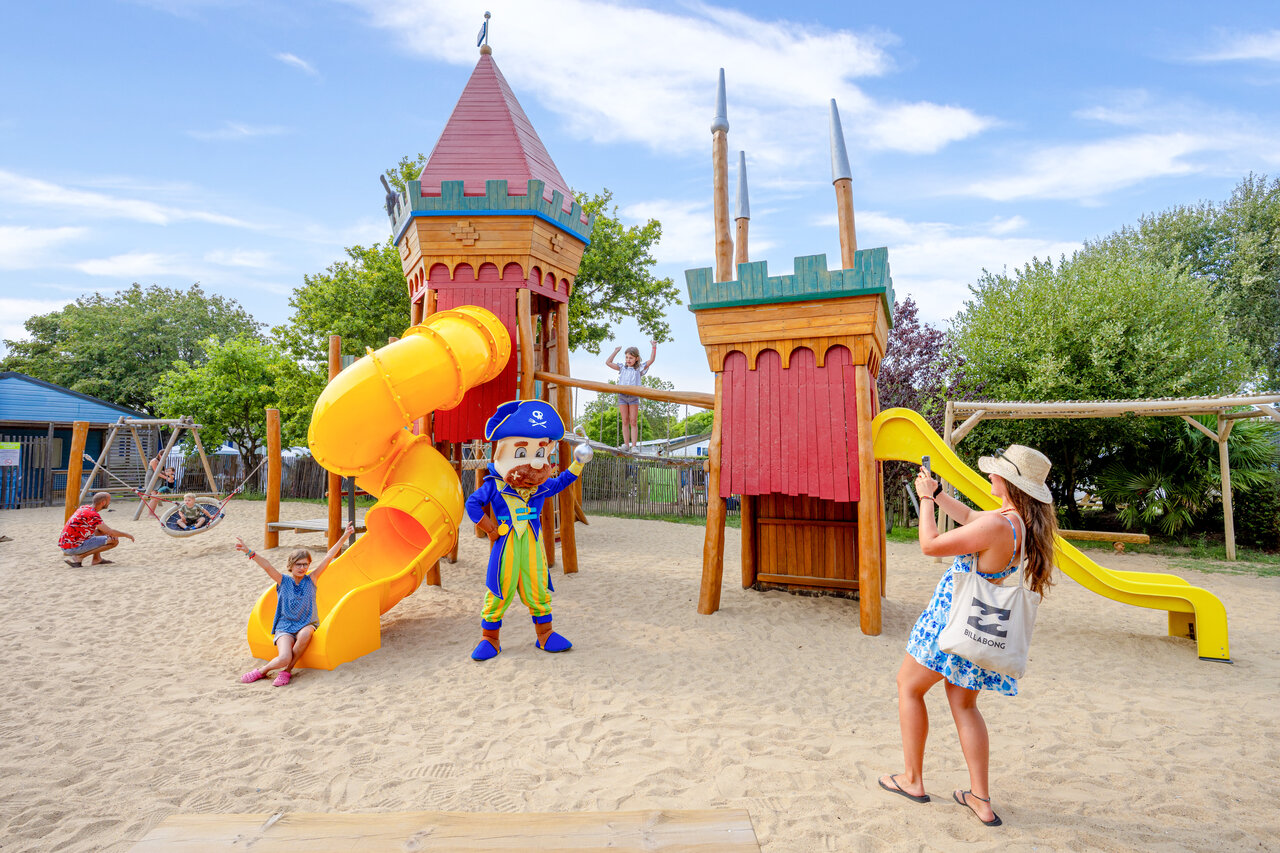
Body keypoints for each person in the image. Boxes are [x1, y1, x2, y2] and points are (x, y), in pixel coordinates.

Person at [878, 446, 1058, 828]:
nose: (990, 475)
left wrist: (925, 500)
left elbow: (929, 544)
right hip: (978, 627)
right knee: (964, 705)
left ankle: (912, 780)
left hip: (951, 621)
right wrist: (939, 494)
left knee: (908, 687)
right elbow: (972, 519)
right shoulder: (1016, 524)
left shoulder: (998, 525)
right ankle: (981, 799)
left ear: (1009, 482)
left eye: (996, 472)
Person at [464, 399, 592, 661]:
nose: (534, 463)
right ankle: (490, 639)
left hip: (532, 544)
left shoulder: (539, 487)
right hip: (506, 544)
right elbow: (472, 503)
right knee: (499, 587)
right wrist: (490, 529)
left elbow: (561, 481)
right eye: (522, 453)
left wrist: (578, 463)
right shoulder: (495, 485)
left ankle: (545, 634)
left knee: (538, 586)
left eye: (541, 453)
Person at [235, 523, 355, 686]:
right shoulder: (283, 581)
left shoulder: (311, 579)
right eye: (298, 564)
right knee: (284, 657)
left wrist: (345, 536)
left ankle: (287, 671)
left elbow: (328, 557)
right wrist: (249, 551)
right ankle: (262, 671)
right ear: (291, 566)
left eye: (305, 564)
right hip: (285, 625)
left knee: (305, 634)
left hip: (306, 623)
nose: (302, 568)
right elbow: (267, 566)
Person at [58, 491, 135, 567]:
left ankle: (97, 559)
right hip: (72, 547)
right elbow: (110, 532)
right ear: (103, 502)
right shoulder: (92, 514)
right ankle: (80, 557)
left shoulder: (84, 508)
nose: (109, 502)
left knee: (101, 532)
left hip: (67, 544)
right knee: (114, 540)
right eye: (109, 501)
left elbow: (104, 530)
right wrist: (127, 535)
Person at [605, 340, 657, 452]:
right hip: (622, 397)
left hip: (633, 397)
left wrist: (654, 347)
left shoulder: (639, 368)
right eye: (627, 357)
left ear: (636, 358)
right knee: (625, 421)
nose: (628, 360)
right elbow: (608, 362)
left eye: (631, 358)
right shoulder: (622, 367)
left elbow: (651, 360)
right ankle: (626, 445)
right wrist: (616, 351)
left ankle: (633, 446)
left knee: (633, 421)